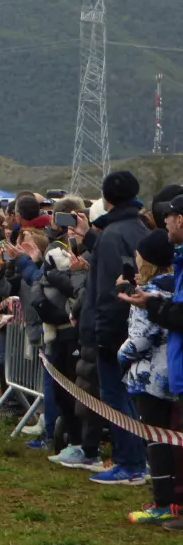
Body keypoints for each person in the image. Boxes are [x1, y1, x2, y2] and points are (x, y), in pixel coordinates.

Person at [80, 171, 149, 485]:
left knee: (116, 397)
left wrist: (102, 335)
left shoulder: (111, 236)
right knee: (130, 397)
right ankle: (138, 459)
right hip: (138, 327)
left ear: (106, 199)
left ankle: (129, 462)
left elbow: (109, 291)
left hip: (115, 330)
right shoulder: (142, 229)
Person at [112, 229, 176, 524]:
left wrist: (120, 358)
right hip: (173, 375)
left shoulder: (148, 295)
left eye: (138, 258)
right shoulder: (176, 289)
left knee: (156, 441)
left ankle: (163, 501)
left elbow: (139, 340)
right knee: (171, 439)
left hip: (150, 380)